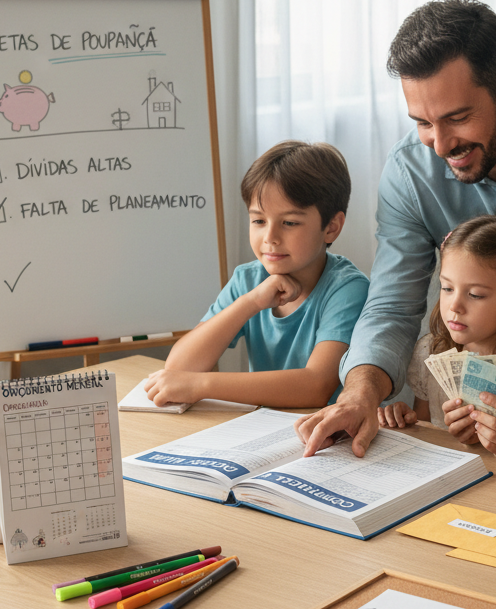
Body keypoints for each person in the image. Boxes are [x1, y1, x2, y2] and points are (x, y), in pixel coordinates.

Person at [296, 0, 496, 457]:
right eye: (422, 123)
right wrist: (359, 395)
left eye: (457, 118)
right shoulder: (411, 173)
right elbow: (392, 307)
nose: (440, 144)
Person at [143, 140, 369, 408]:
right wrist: (251, 302)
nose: (270, 238)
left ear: (331, 227)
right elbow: (180, 366)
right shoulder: (249, 280)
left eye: (289, 223)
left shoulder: (348, 289)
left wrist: (202, 385)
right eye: (259, 221)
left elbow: (316, 386)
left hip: (328, 438)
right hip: (262, 431)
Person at [377, 215, 496, 455]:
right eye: (447, 288)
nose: (454, 306)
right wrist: (407, 420)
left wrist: (481, 438)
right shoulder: (430, 352)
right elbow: (426, 430)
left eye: (475, 294)